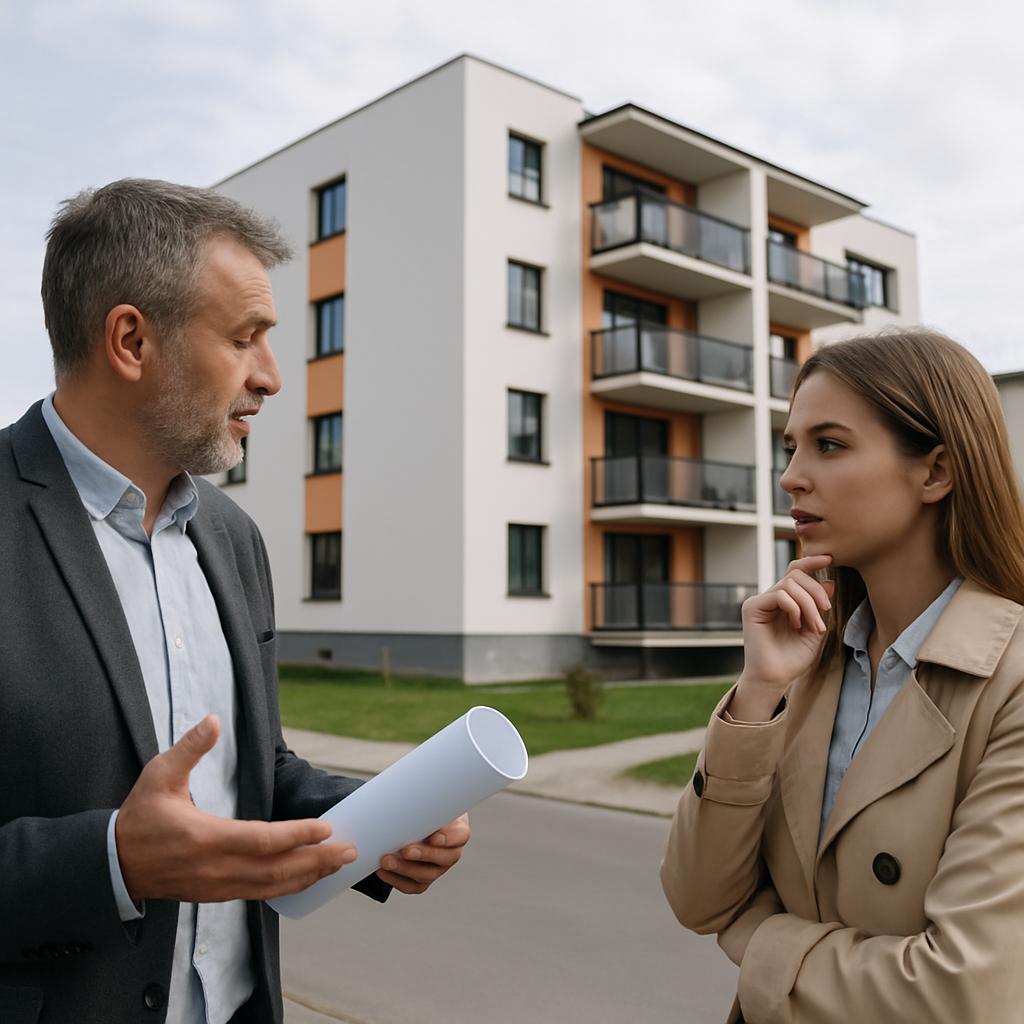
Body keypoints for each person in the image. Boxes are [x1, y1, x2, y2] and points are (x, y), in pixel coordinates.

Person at [0, 179, 471, 1024]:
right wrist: (111, 861)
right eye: (245, 338)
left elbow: (257, 772)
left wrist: (374, 822)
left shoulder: (233, 538)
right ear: (132, 340)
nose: (274, 377)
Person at [660, 328, 1024, 1023]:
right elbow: (698, 897)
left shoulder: (1011, 683)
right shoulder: (804, 666)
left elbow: (960, 993)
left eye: (829, 444)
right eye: (790, 446)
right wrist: (757, 695)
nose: (791, 475)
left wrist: (760, 941)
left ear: (936, 472)